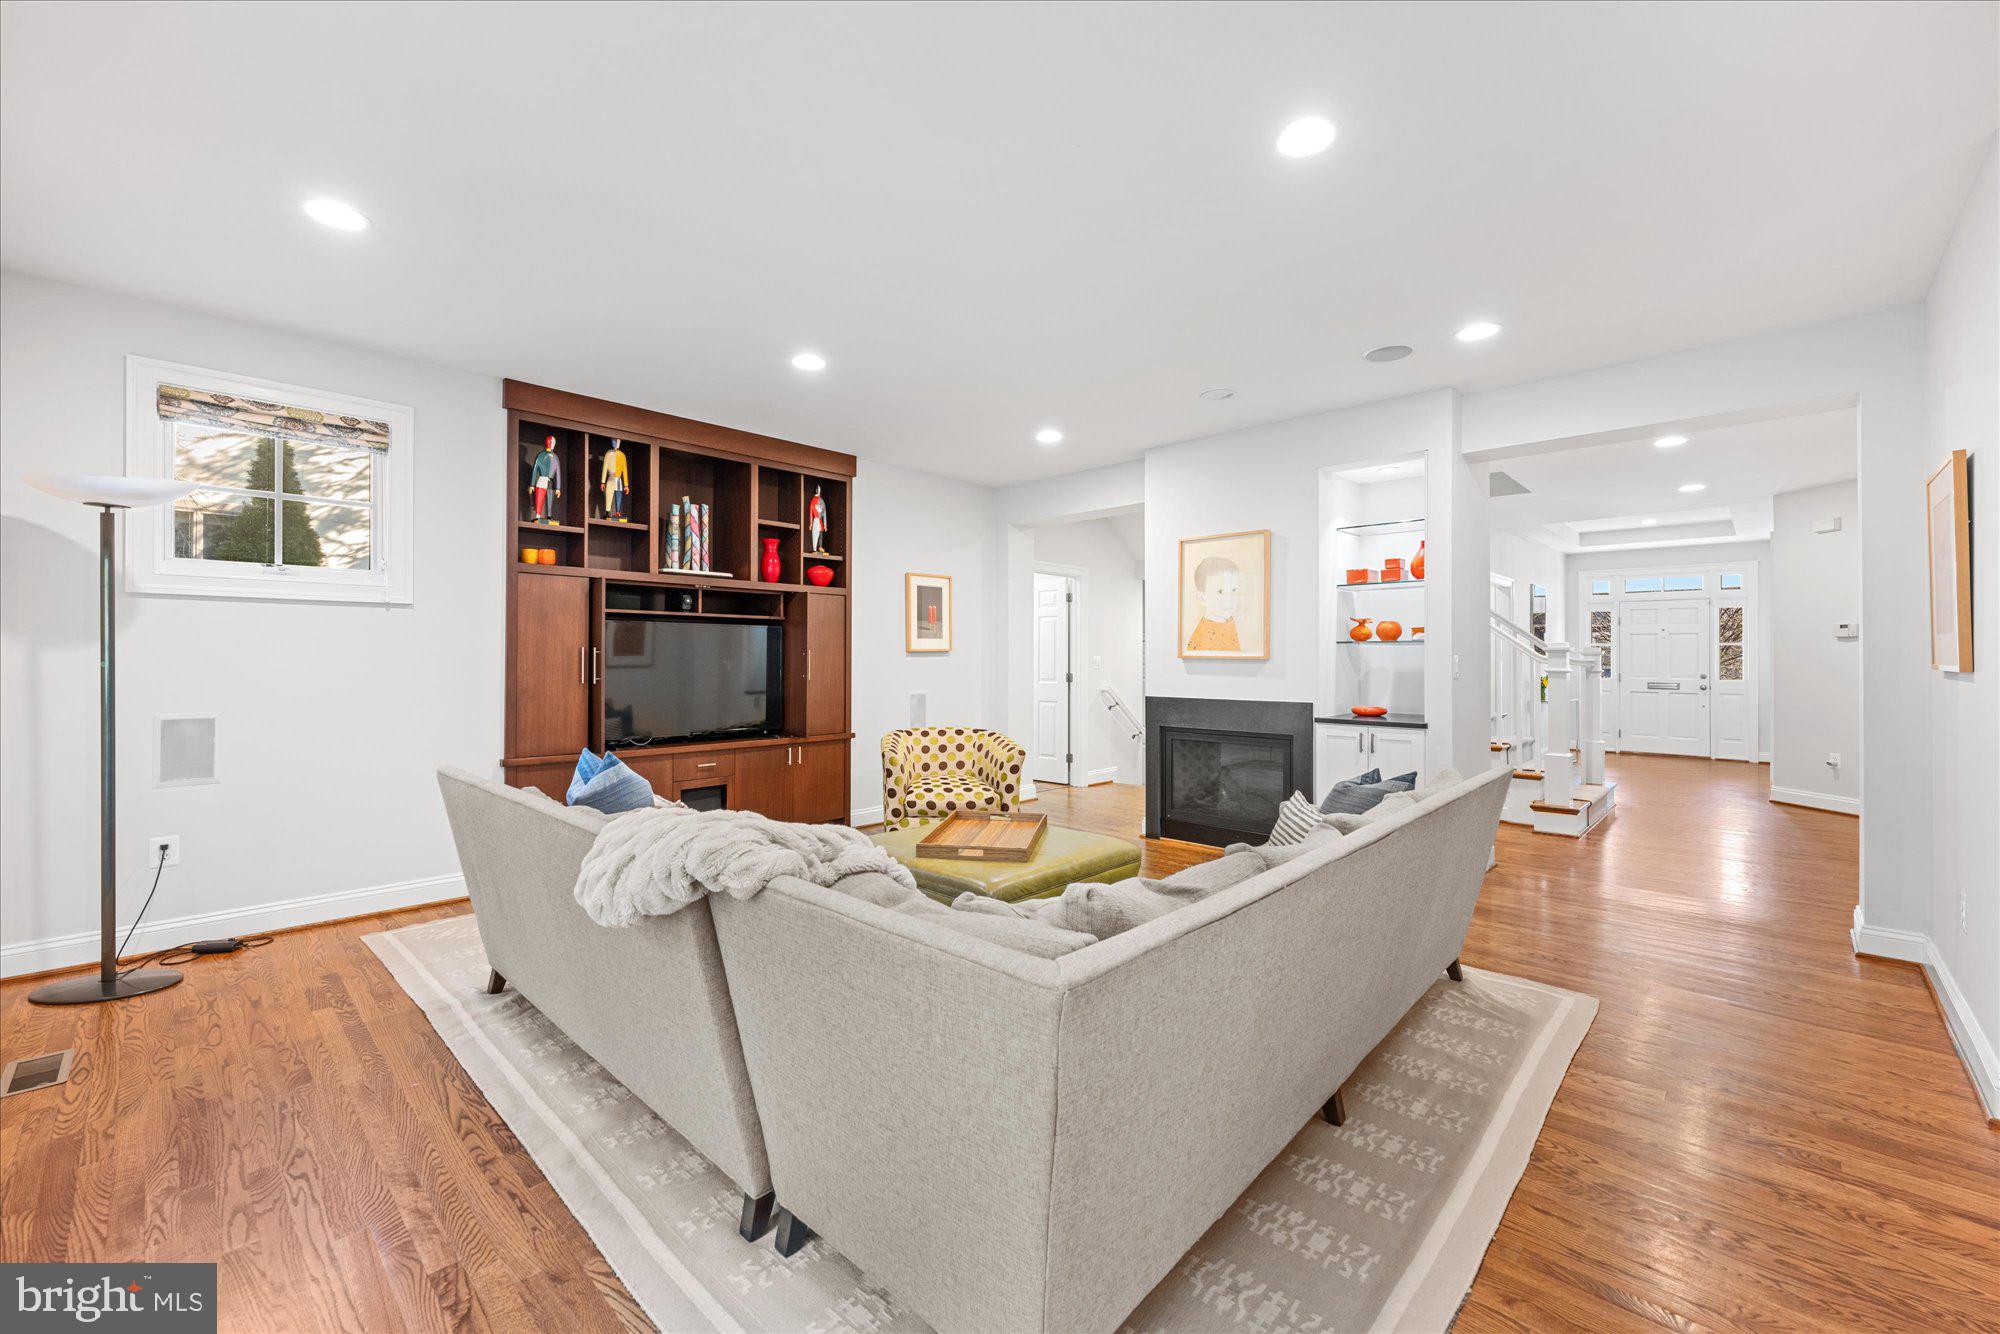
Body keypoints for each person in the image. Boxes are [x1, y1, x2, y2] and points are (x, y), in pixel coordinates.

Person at [1185, 555, 1243, 652]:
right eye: (1220, 592)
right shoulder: (1203, 637)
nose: (1229, 598)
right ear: (1202, 598)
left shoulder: (1227, 621)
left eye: (1233, 590)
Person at [530, 436, 562, 522]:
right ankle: (539, 515)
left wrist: (558, 488)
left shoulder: (553, 457)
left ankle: (548, 516)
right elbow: (535, 470)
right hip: (543, 480)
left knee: (549, 499)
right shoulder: (543, 455)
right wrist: (532, 484)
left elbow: (558, 473)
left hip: (549, 482)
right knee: (540, 498)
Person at [600, 440, 630, 521]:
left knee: (618, 495)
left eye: (617, 441)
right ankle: (607, 511)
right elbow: (605, 468)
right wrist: (602, 482)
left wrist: (626, 485)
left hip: (619, 479)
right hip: (611, 478)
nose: (616, 443)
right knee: (609, 494)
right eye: (614, 440)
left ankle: (618, 512)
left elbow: (625, 470)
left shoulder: (622, 455)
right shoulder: (608, 454)